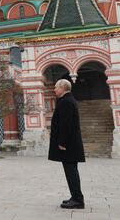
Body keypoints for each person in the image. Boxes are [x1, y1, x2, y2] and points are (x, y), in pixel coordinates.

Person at [49, 79, 86, 209]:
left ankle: (77, 200)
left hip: (68, 145)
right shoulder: (67, 101)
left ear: (63, 88)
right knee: (71, 171)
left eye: (56, 87)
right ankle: (75, 197)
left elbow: (66, 124)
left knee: (71, 172)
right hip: (70, 144)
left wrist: (62, 142)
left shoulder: (66, 102)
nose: (54, 89)